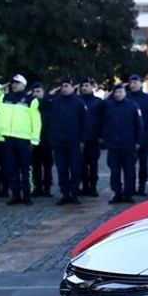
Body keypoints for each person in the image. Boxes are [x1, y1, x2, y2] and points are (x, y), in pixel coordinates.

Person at [0, 74, 41, 205]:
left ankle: (26, 194)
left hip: (24, 140)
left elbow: (36, 121)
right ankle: (15, 194)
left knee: (26, 169)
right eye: (12, 83)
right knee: (11, 168)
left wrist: (34, 141)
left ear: (23, 85)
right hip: (8, 139)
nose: (14, 85)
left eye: (17, 83)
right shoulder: (4, 97)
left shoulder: (31, 100)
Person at [45, 76, 88, 205]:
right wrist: (51, 93)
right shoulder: (56, 101)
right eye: (62, 86)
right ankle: (65, 193)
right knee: (61, 169)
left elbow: (85, 123)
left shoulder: (79, 103)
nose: (64, 89)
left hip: (74, 142)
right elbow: (43, 104)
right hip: (59, 142)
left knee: (75, 169)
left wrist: (83, 140)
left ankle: (74, 193)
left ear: (72, 87)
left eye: (66, 86)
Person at [101, 82, 143, 204]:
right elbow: (102, 106)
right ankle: (117, 193)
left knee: (129, 171)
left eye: (120, 92)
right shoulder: (109, 106)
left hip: (128, 144)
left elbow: (139, 125)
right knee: (115, 171)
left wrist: (138, 141)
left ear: (125, 93)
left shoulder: (133, 106)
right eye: (116, 92)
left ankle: (128, 193)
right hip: (113, 145)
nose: (118, 94)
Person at [77, 78, 104, 196]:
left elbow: (103, 119)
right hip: (80, 138)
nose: (84, 88)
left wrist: (102, 135)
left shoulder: (98, 102)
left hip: (94, 138)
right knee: (81, 164)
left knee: (93, 165)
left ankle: (93, 187)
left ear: (91, 87)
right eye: (82, 86)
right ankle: (85, 186)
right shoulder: (77, 101)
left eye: (87, 85)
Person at [30, 82, 54, 197]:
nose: (35, 94)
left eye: (38, 91)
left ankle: (47, 188)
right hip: (34, 142)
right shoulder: (30, 105)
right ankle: (37, 187)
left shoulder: (49, 104)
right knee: (35, 167)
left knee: (47, 167)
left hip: (47, 141)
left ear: (43, 92)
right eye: (34, 92)